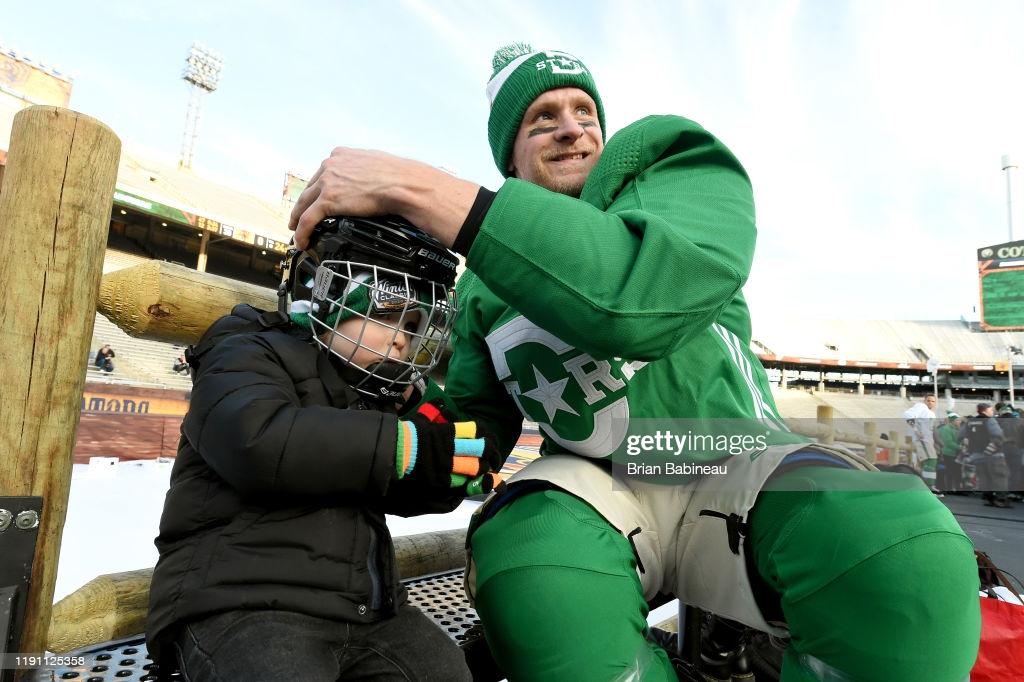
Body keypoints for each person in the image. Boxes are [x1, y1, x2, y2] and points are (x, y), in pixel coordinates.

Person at [289, 45, 980, 682]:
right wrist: (380, 440)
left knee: (901, 546)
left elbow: (633, 299)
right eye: (541, 119)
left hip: (728, 455)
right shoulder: (482, 287)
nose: (572, 128)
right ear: (510, 160)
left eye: (584, 111)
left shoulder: (666, 165)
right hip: (599, 484)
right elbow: (473, 435)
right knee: (531, 561)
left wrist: (423, 190)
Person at [146, 217, 500, 681]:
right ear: (324, 292)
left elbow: (399, 484)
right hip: (241, 602)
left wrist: (445, 468)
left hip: (365, 612)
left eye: (415, 325)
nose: (402, 338)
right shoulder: (245, 350)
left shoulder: (381, 395)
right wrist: (402, 446)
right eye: (388, 311)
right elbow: (256, 442)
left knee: (444, 671)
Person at [958, 402, 1009, 508]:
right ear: (985, 411)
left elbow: (960, 436)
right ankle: (1000, 500)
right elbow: (998, 435)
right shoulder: (990, 421)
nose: (992, 412)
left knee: (984, 477)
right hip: (993, 455)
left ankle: (987, 498)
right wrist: (990, 450)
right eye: (990, 410)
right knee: (1000, 477)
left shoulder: (970, 422)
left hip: (976, 455)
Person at [903, 394, 939, 489]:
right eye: (928, 400)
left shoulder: (931, 413)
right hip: (921, 439)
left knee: (922, 464)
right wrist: (916, 430)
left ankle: (922, 485)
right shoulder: (921, 406)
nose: (930, 403)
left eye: (933, 401)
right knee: (930, 460)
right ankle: (929, 486)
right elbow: (907, 415)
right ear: (924, 401)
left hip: (927, 440)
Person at [997, 403, 1022, 500]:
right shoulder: (1019, 421)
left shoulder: (997, 421)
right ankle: (1014, 492)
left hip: (1001, 449)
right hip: (1016, 449)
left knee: (1002, 472)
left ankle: (1002, 493)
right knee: (1015, 472)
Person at [935, 412, 962, 493]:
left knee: (954, 472)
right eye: (957, 420)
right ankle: (948, 489)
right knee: (948, 472)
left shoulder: (955, 429)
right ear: (952, 421)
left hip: (954, 453)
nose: (959, 422)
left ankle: (954, 489)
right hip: (947, 454)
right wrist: (960, 447)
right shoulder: (946, 429)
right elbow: (948, 442)